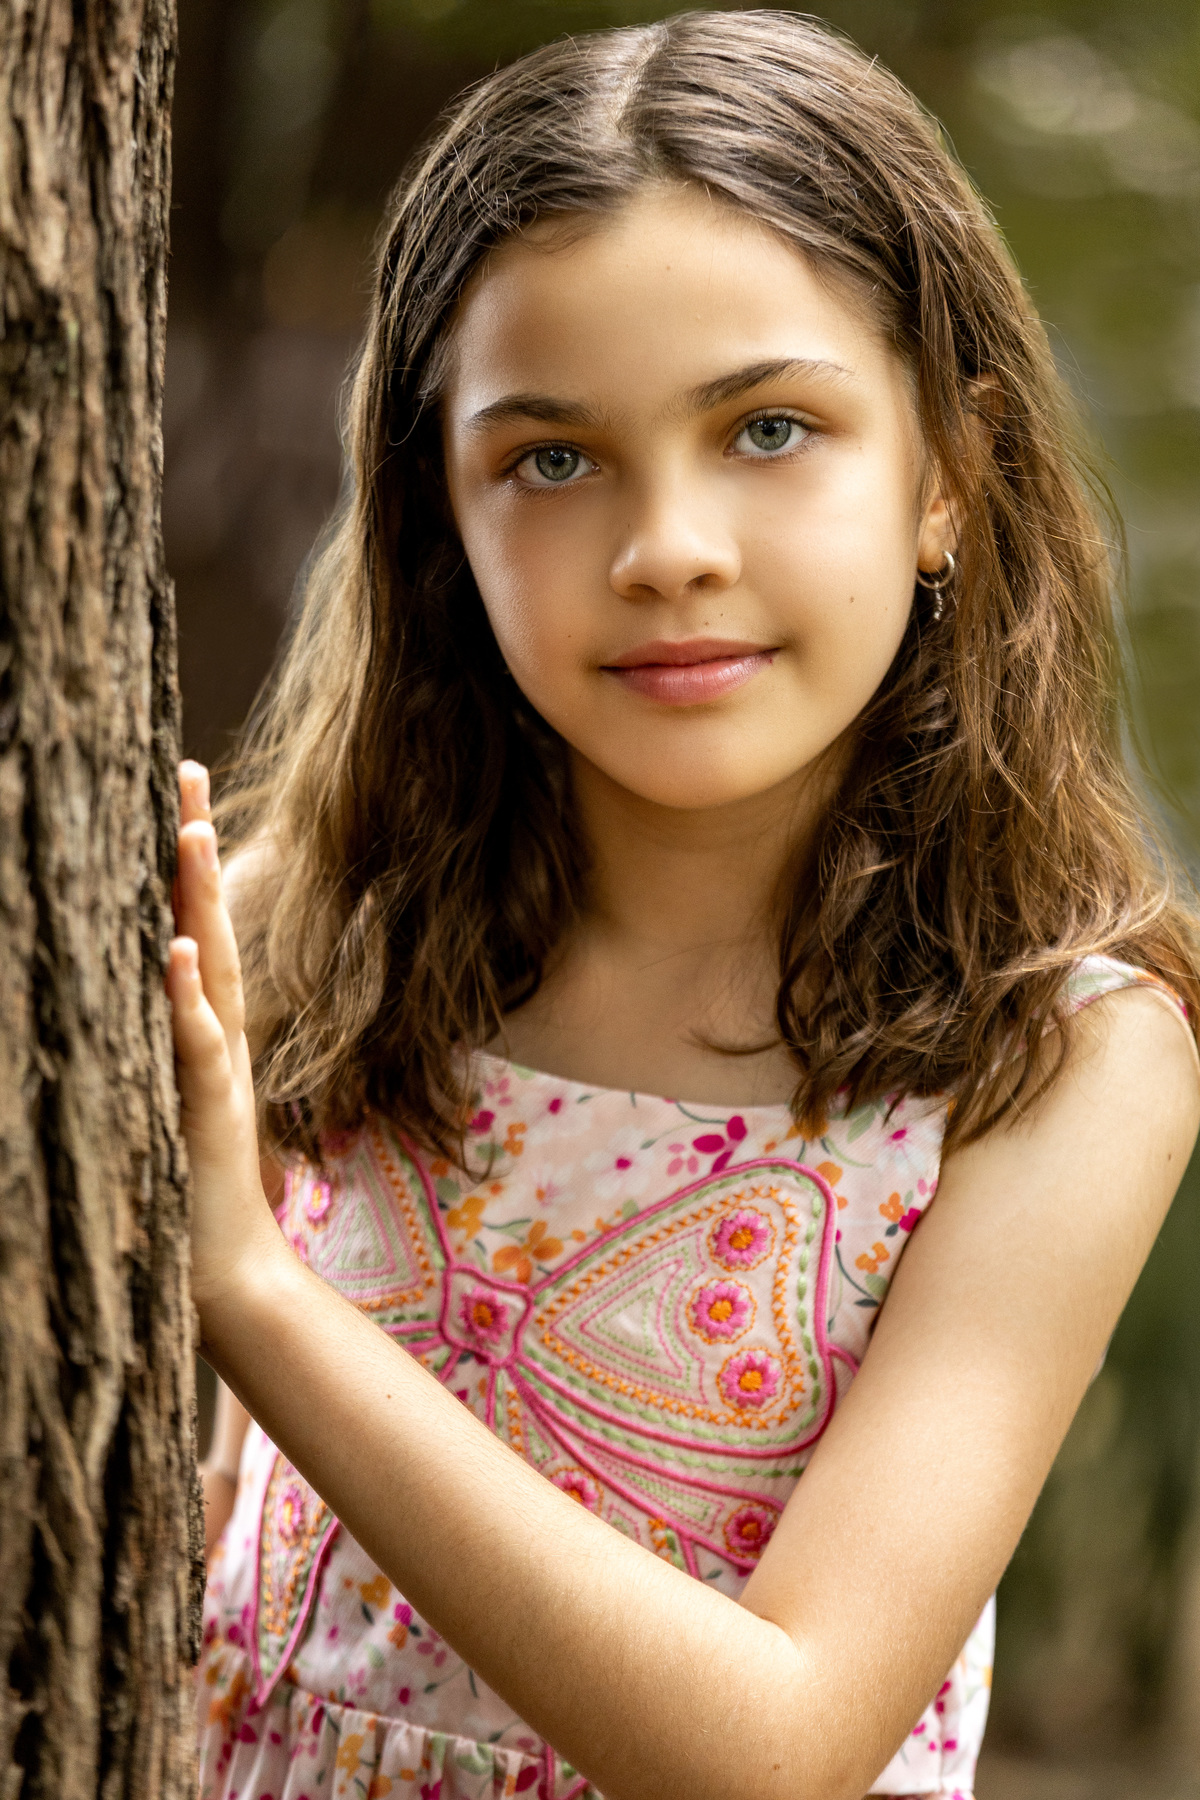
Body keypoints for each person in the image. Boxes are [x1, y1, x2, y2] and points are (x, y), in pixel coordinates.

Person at [170, 13, 1200, 1799]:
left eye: (770, 428)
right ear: (441, 516)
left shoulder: (1059, 1060)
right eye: (551, 460)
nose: (670, 547)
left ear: (947, 469)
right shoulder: (308, 923)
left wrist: (255, 1297)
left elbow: (780, 1741)